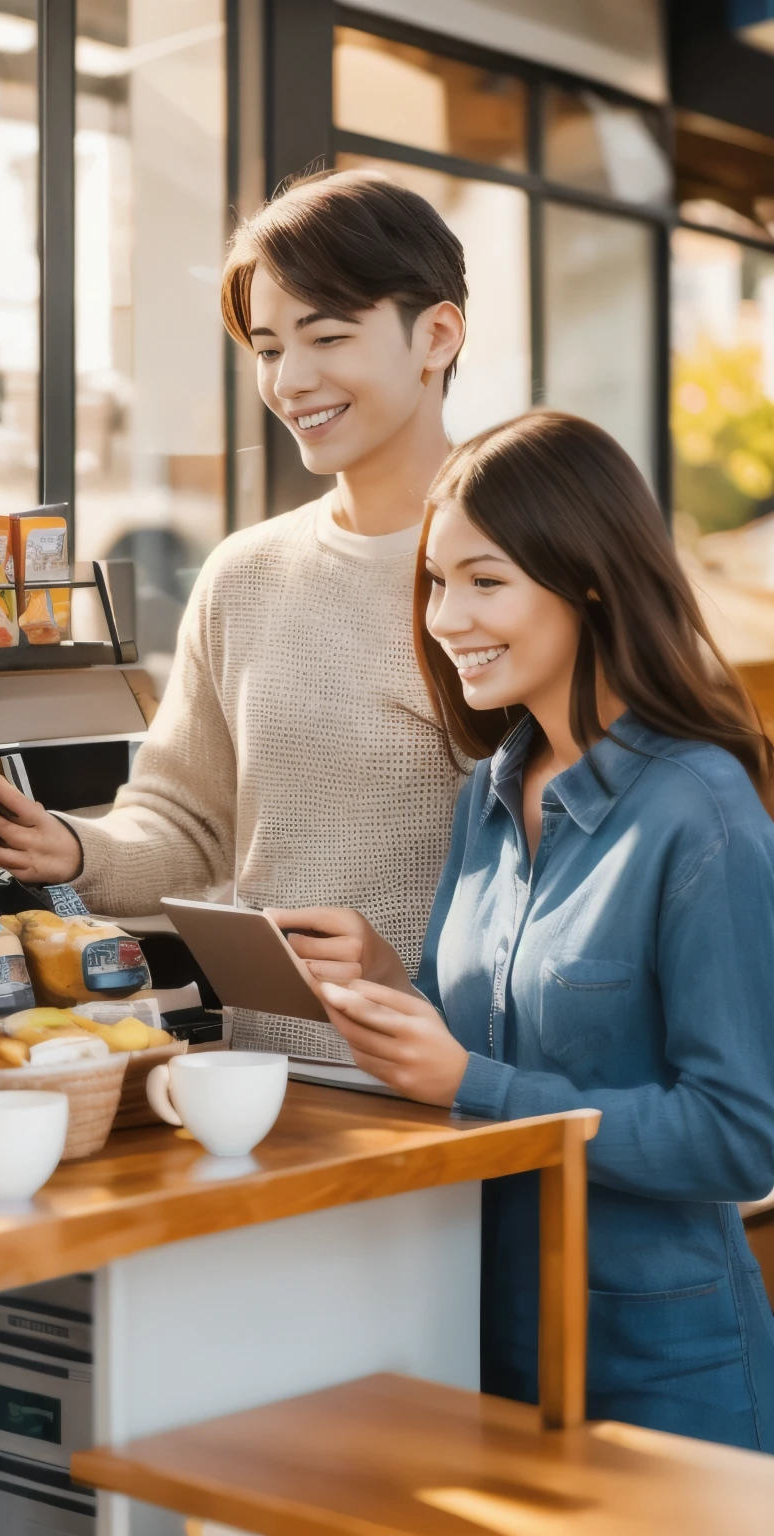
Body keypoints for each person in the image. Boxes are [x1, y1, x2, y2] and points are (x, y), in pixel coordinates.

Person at [274, 410, 774, 1448]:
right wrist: (385, 981)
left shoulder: (701, 815)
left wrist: (471, 1085)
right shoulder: (489, 796)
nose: (447, 615)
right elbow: (486, 1044)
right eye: (435, 580)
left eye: (485, 580)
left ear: (588, 582)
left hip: (662, 1373)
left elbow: (739, 1136)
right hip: (485, 1342)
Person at [0, 170, 468, 1060]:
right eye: (266, 349)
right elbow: (189, 821)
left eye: (327, 335)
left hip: (467, 1081)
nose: (292, 379)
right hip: (273, 1074)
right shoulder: (247, 575)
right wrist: (72, 848)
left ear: (437, 335)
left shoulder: (527, 565)